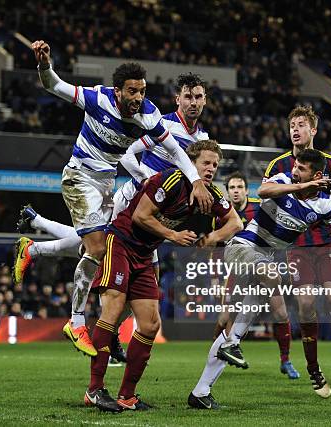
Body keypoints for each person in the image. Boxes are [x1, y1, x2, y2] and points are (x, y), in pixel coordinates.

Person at [14, 40, 213, 357]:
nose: (138, 98)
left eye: (142, 91)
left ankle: (35, 247)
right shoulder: (96, 98)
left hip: (107, 184)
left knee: (100, 246)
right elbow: (54, 86)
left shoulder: (152, 116)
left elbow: (176, 151)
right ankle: (76, 321)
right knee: (96, 247)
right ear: (117, 91)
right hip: (81, 176)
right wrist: (43, 65)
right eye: (132, 91)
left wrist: (196, 183)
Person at [188, 149, 331, 409]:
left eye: (302, 169)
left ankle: (201, 391)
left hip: (263, 265)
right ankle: (231, 344)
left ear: (318, 175)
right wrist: (301, 183)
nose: (295, 171)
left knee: (236, 326)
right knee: (271, 276)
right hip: (242, 249)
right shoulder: (281, 180)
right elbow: (263, 191)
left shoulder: (324, 205)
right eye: (295, 167)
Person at [85, 140, 243, 412]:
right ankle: (94, 390)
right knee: (112, 310)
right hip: (121, 242)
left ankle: (127, 395)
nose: (211, 169)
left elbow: (236, 222)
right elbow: (139, 216)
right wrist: (173, 235)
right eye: (206, 162)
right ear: (191, 163)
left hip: (145, 255)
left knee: (149, 325)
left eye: (215, 165)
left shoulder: (213, 194)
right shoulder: (170, 179)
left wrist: (213, 237)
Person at [263, 105, 331, 397]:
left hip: (328, 241)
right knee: (305, 306)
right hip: (297, 245)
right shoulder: (279, 165)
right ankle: (313, 369)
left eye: (302, 124)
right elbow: (265, 194)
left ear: (313, 130)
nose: (295, 129)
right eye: (292, 124)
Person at [212, 171, 300, 379]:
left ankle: (285, 360)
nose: (236, 191)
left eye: (239, 187)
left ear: (246, 190)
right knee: (225, 317)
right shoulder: (222, 214)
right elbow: (216, 248)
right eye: (232, 187)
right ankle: (216, 353)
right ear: (227, 191)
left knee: (281, 313)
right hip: (237, 267)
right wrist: (215, 276)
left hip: (263, 265)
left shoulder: (259, 207)